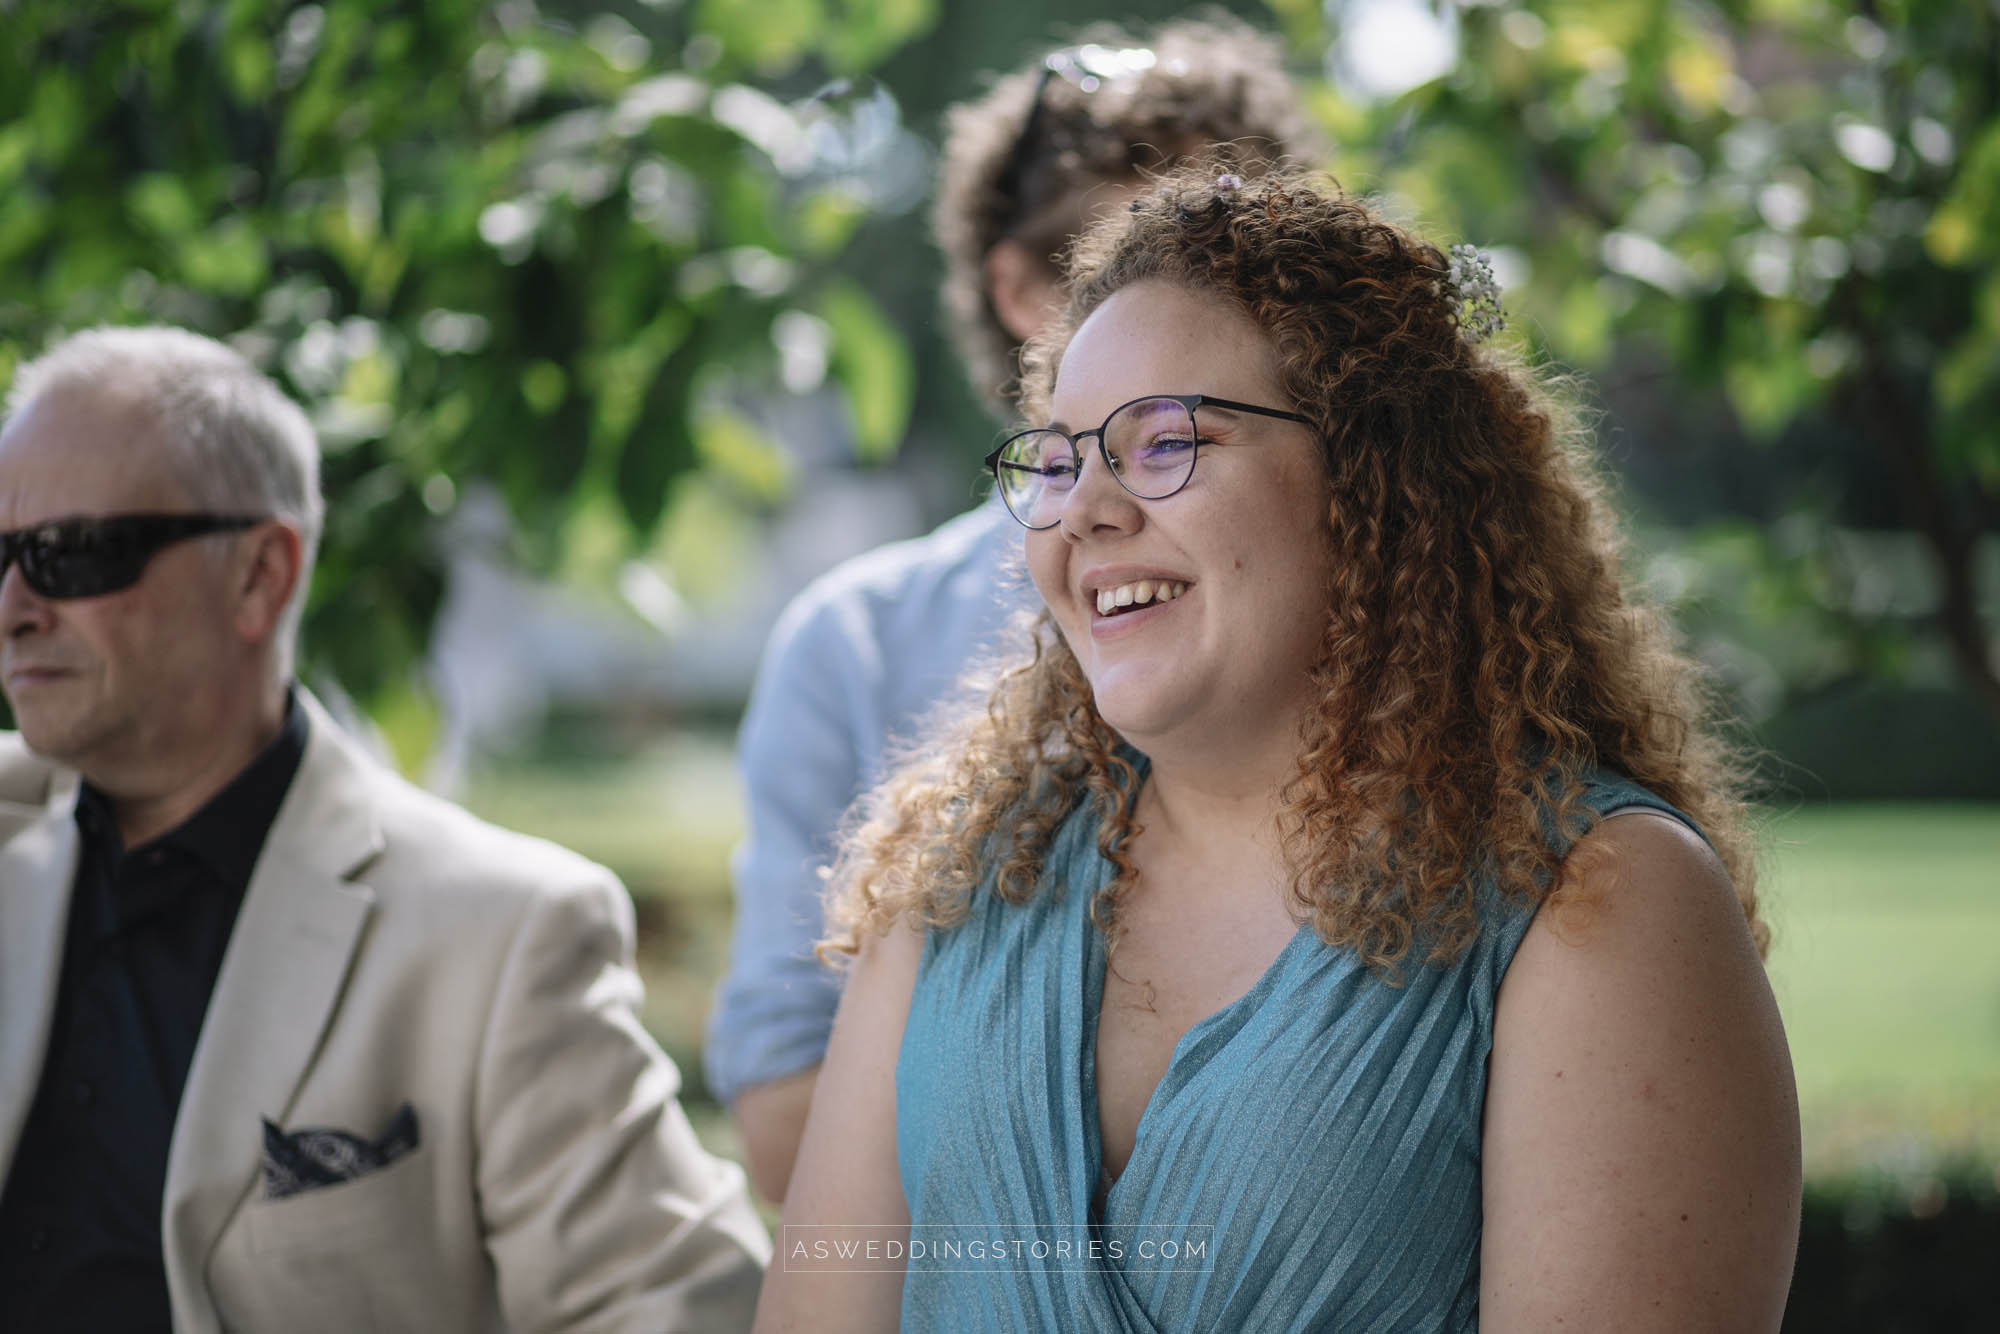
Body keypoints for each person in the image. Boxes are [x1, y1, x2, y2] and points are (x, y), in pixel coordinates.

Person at [754, 164, 1803, 1331]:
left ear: (1373, 477)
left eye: (1162, 443)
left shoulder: (1597, 897)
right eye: (1058, 459)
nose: (1086, 509)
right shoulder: (955, 884)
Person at [0, 326, 769, 1332]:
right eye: (4, 555)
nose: (14, 604)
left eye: (71, 554)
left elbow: (684, 1305)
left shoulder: (500, 931)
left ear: (259, 576)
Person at [706, 16, 1322, 1205]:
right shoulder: (863, 645)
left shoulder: (1446, 653)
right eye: (1126, 255)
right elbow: (783, 1111)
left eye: (1247, 258)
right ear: (1018, 290)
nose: (1198, 303)